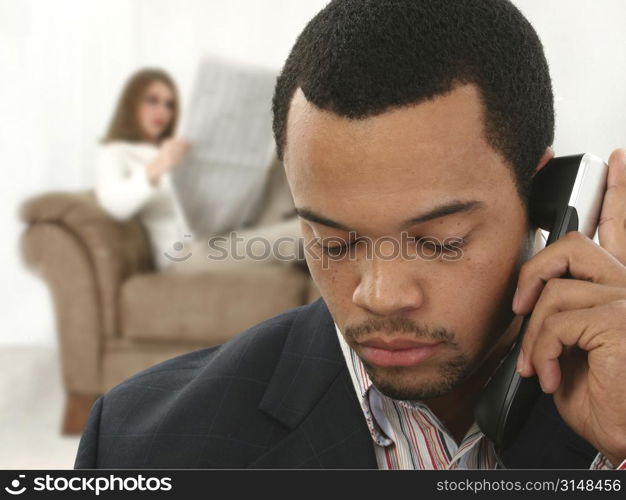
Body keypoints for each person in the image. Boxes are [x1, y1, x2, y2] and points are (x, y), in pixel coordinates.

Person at [75, 0, 626, 469]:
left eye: (441, 241)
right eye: (334, 243)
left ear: (548, 202)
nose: (380, 295)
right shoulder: (136, 446)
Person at [94, 68, 302, 273]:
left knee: (281, 153)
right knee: (304, 233)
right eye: (152, 101)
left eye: (169, 105)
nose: (162, 111)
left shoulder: (180, 148)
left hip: (227, 230)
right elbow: (115, 205)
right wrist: (158, 167)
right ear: (131, 104)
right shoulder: (116, 152)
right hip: (183, 251)